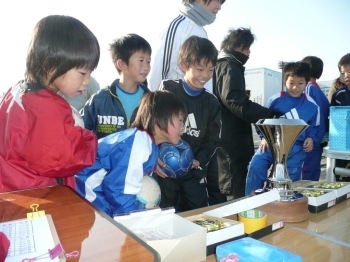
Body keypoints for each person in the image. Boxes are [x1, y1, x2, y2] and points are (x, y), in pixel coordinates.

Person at [0, 15, 99, 193]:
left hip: (14, 190)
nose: (86, 81)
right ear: (50, 66)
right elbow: (64, 159)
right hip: (40, 197)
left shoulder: (17, 92)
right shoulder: (47, 107)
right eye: (82, 73)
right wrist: (88, 138)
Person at [75, 91, 187, 216]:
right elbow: (119, 191)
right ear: (159, 118)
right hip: (85, 192)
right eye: (180, 120)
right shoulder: (139, 145)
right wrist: (138, 219)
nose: (183, 127)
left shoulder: (147, 143)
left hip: (97, 193)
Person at [213, 28, 283, 199]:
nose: (249, 52)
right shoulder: (228, 66)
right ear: (237, 46)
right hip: (231, 137)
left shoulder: (227, 65)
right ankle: (237, 220)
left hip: (234, 134)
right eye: (247, 48)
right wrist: (268, 115)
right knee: (234, 184)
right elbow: (234, 100)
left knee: (237, 179)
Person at [157, 36, 222, 211]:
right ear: (183, 66)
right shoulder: (168, 90)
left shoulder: (212, 102)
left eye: (210, 70)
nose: (206, 75)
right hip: (165, 173)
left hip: (194, 174)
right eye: (200, 69)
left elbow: (213, 140)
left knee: (196, 216)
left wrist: (198, 160)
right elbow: (151, 126)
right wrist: (154, 158)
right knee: (166, 216)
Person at [245, 62, 320, 195]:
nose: (295, 87)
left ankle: (288, 207)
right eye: (291, 83)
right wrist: (264, 138)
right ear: (285, 80)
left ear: (307, 83)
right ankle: (251, 201)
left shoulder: (312, 105)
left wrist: (311, 138)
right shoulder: (275, 100)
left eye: (300, 83)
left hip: (296, 148)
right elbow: (262, 121)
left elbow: (315, 126)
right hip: (271, 144)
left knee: (290, 179)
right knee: (256, 165)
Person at [81, 34, 151, 139]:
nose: (146, 66)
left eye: (148, 61)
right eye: (141, 60)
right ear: (121, 64)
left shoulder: (152, 101)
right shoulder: (100, 100)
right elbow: (81, 130)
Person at [148, 0, 225, 93]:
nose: (219, 7)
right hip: (173, 104)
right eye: (217, 1)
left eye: (221, 3)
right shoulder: (178, 26)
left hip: (200, 104)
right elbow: (157, 73)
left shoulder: (202, 31)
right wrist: (156, 104)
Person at [301, 56, 329, 181]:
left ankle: (305, 200)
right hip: (319, 137)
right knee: (313, 172)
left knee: (305, 173)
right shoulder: (319, 90)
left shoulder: (307, 89)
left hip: (309, 138)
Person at [330, 53, 350, 179]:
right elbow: (335, 124)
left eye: (349, 71)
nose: (346, 76)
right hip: (343, 149)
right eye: (343, 73)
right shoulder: (338, 95)